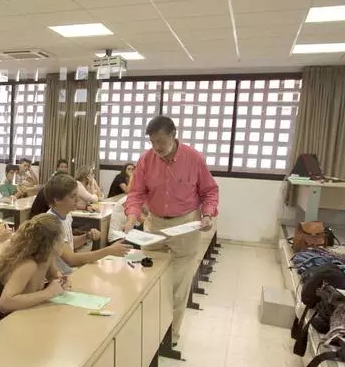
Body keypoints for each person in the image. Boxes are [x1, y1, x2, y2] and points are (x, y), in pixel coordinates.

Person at [123, 116, 218, 345]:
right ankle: (149, 333)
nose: (156, 147)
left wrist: (207, 214)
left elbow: (210, 191)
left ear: (173, 135)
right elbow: (136, 193)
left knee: (178, 285)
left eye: (161, 141)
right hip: (155, 223)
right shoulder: (146, 159)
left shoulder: (193, 158)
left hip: (185, 224)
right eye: (152, 142)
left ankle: (170, 336)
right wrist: (131, 217)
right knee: (149, 279)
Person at [0, 214, 69, 338]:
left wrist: (60, 279)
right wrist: (48, 292)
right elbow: (5, 304)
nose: (64, 243)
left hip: (20, 322)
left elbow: (53, 274)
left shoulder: (47, 256)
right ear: (52, 243)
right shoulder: (28, 265)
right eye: (62, 239)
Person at [44, 173, 131, 270]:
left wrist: (86, 236)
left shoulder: (67, 215)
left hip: (68, 271)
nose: (77, 199)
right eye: (72, 196)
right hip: (61, 274)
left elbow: (69, 243)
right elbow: (71, 260)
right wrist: (108, 251)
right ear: (57, 200)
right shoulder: (52, 223)